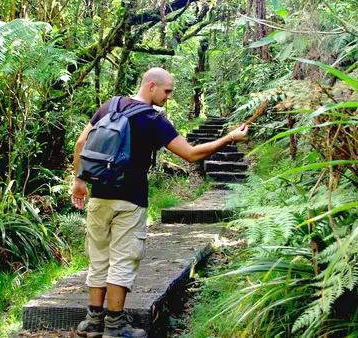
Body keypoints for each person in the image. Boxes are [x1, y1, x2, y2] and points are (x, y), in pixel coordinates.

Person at [70, 67, 248, 338]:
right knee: (123, 260)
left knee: (99, 258)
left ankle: (93, 322)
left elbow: (82, 141)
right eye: (167, 91)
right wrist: (229, 138)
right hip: (130, 201)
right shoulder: (153, 119)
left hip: (99, 196)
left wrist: (79, 181)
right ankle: (115, 325)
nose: (168, 97)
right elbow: (190, 154)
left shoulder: (111, 105)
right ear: (151, 86)